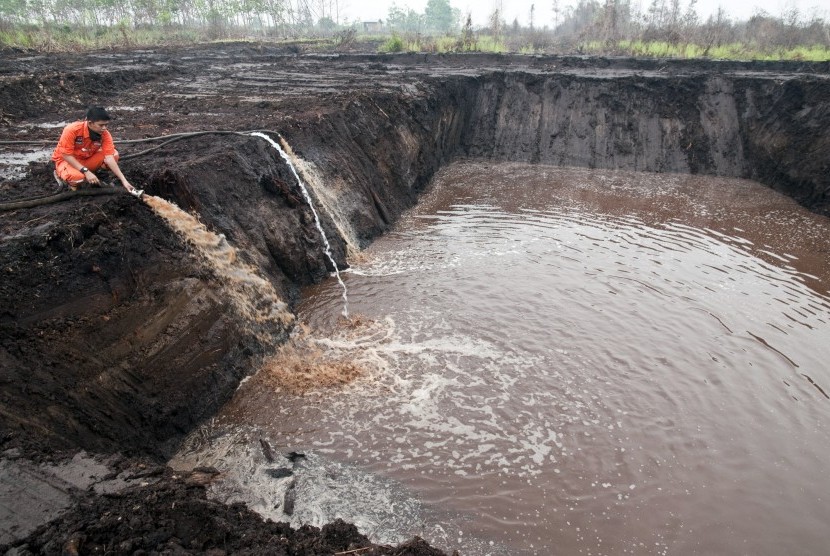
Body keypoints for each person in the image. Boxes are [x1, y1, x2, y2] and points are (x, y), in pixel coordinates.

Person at [52, 106, 141, 195]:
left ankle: (100, 174)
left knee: (114, 154)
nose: (104, 128)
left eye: (106, 125)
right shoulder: (72, 130)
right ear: (90, 123)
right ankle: (72, 185)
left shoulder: (105, 134)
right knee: (78, 178)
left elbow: (109, 158)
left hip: (86, 160)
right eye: (101, 125)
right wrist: (85, 171)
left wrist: (124, 181)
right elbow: (66, 155)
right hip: (67, 161)